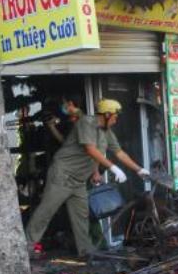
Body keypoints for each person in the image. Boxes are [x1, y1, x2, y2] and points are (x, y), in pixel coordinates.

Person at [26, 99, 150, 257]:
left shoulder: (107, 132)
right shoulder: (86, 123)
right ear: (106, 114)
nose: (116, 119)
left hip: (79, 180)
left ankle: (85, 250)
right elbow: (90, 149)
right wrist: (112, 167)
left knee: (81, 216)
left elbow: (120, 153)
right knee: (46, 211)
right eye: (115, 116)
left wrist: (139, 170)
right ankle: (27, 246)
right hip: (63, 175)